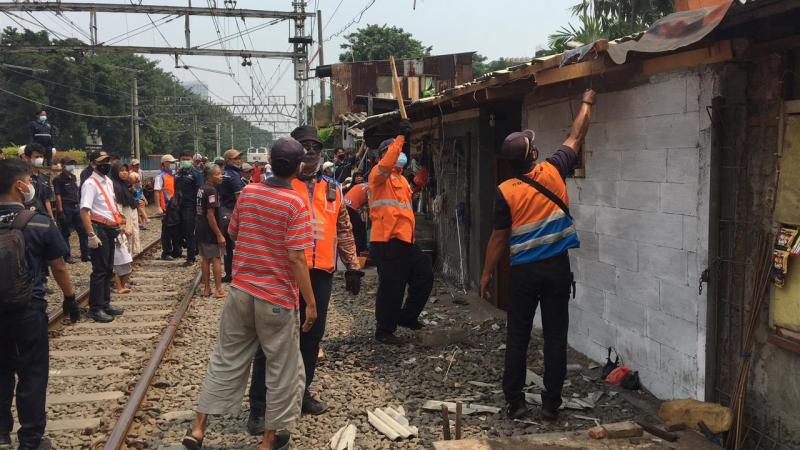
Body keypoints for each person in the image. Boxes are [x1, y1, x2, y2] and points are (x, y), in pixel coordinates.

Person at [183, 138, 317, 450]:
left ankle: (198, 428)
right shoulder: (296, 203)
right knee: (282, 368)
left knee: (225, 359)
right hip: (276, 299)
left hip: (241, 292)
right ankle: (269, 441)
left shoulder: (249, 193)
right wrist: (310, 302)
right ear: (300, 168)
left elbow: (234, 233)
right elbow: (297, 257)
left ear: (269, 160)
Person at [479, 90, 596, 421]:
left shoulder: (505, 192)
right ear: (534, 154)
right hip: (556, 269)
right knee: (556, 338)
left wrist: (486, 274)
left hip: (523, 274)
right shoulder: (553, 170)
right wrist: (586, 101)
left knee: (518, 336)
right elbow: (577, 133)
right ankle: (550, 406)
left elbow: (498, 238)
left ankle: (514, 402)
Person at [247, 129, 363, 433]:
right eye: (305, 147)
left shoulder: (333, 189)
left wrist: (352, 266)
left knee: (311, 340)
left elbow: (344, 228)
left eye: (315, 147)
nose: (311, 153)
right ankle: (259, 407)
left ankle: (300, 394)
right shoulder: (279, 186)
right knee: (272, 341)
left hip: (320, 273)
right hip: (283, 274)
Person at [0, 159, 76, 450]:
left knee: (1, 371)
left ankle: (1, 434)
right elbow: (59, 266)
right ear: (19, 186)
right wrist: (70, 299)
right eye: (29, 180)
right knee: (32, 373)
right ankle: (31, 439)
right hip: (28, 310)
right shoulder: (40, 222)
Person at [367, 122, 433, 345]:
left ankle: (407, 317)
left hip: (405, 241)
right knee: (392, 287)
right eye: (395, 151)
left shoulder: (402, 180)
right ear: (386, 154)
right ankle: (384, 330)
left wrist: (417, 187)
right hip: (386, 241)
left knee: (424, 276)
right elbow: (386, 165)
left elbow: (402, 203)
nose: (400, 155)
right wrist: (400, 138)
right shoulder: (378, 174)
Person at [80, 153, 125, 323]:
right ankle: (96, 308)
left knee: (107, 268)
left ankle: (105, 304)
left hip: (109, 228)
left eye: (107, 161)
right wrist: (91, 234)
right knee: (99, 269)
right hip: (99, 228)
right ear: (92, 164)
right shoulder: (90, 184)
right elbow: (84, 211)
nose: (106, 164)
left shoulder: (107, 181)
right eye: (101, 162)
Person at [196, 164, 226, 298]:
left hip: (200, 227)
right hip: (210, 229)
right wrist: (219, 234)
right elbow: (210, 215)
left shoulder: (201, 188)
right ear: (210, 177)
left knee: (205, 259)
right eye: (218, 174)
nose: (221, 176)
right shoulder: (212, 191)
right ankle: (219, 289)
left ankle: (207, 289)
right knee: (216, 258)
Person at [54, 157, 89, 263]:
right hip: (66, 207)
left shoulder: (73, 177)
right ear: (63, 166)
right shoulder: (58, 179)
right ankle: (67, 256)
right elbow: (58, 195)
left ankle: (85, 255)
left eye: (73, 164)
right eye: (69, 164)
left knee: (83, 231)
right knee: (65, 233)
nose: (71, 166)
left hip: (76, 207)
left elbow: (76, 192)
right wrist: (60, 211)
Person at [218, 149, 245, 282]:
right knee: (238, 245)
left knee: (228, 246)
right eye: (235, 158)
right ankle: (236, 274)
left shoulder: (224, 174)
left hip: (223, 212)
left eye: (239, 158)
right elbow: (239, 197)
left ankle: (229, 273)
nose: (239, 160)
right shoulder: (234, 175)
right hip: (232, 213)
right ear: (228, 161)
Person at [175, 151, 203, 266]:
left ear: (192, 160)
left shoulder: (196, 174)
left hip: (190, 206)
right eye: (183, 159)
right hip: (178, 206)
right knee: (179, 230)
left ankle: (190, 258)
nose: (185, 161)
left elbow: (200, 191)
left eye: (188, 159)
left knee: (189, 231)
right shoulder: (178, 173)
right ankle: (191, 249)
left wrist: (199, 208)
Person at [19, 144, 55, 221]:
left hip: (43, 217)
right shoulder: (22, 178)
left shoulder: (44, 178)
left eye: (41, 156)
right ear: (27, 157)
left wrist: (52, 218)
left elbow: (47, 200)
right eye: (36, 157)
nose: (40, 159)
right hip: (27, 218)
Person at [111, 164, 141, 255]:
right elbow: (117, 205)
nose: (124, 172)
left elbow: (133, 198)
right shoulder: (114, 185)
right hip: (123, 213)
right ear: (116, 172)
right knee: (124, 236)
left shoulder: (127, 184)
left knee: (132, 235)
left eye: (126, 170)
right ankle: (125, 260)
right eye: (121, 170)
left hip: (131, 212)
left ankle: (130, 257)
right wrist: (122, 223)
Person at [155, 154, 179, 260]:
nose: (173, 164)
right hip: (166, 207)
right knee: (166, 231)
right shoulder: (160, 176)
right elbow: (156, 192)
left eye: (174, 162)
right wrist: (158, 207)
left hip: (175, 206)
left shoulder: (174, 175)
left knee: (175, 228)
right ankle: (166, 252)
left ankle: (176, 251)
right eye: (171, 162)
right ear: (164, 164)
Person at [344, 181, 369, 255]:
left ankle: (353, 251)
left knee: (353, 231)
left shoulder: (362, 185)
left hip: (344, 205)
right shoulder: (372, 188)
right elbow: (370, 204)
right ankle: (359, 253)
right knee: (360, 231)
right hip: (351, 208)